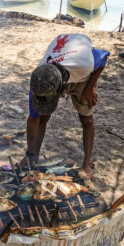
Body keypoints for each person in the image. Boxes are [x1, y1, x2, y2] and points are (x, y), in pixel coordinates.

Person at [20, 33, 110, 179]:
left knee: (87, 120)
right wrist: (29, 153)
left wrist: (90, 87)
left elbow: (104, 57)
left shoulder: (84, 64)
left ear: (60, 88)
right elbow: (33, 119)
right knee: (42, 117)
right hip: (61, 65)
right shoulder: (38, 80)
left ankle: (87, 163)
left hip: (80, 74)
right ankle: (35, 155)